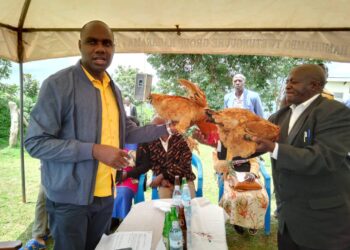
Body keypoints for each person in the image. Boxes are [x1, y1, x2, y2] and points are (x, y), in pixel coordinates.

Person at [24, 20, 175, 250]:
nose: (100, 48)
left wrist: (164, 128)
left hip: (105, 196)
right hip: (69, 200)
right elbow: (35, 143)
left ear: (113, 48)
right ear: (80, 45)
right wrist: (94, 150)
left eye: (107, 43)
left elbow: (127, 130)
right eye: (92, 42)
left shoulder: (112, 88)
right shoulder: (58, 84)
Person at [253, 64, 350, 250]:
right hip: (288, 221)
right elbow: (254, 144)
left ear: (314, 86)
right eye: (288, 81)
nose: (288, 85)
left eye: (294, 82)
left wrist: (274, 148)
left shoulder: (335, 112)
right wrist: (217, 143)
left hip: (323, 224)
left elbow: (324, 158)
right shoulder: (280, 116)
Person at [123, 116, 197, 199]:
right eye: (152, 128)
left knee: (190, 205)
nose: (153, 132)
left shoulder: (181, 139)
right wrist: (162, 181)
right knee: (165, 206)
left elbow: (184, 165)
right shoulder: (151, 142)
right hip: (166, 182)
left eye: (155, 128)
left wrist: (162, 175)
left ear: (166, 127)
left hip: (184, 180)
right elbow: (154, 165)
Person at [214, 151, 268, 235]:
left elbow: (254, 162)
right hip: (230, 175)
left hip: (249, 175)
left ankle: (254, 224)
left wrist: (252, 174)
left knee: (261, 197)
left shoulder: (248, 145)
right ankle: (237, 222)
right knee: (235, 197)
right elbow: (217, 165)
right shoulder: (220, 147)